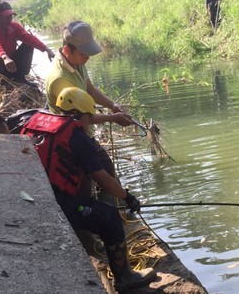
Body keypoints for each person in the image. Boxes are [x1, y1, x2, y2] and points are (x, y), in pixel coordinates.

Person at [20, 87, 156, 292]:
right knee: (110, 218)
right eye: (89, 117)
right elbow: (104, 180)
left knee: (91, 207)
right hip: (55, 205)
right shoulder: (77, 138)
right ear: (78, 114)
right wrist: (128, 198)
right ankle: (124, 278)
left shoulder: (43, 123)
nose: (89, 122)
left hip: (31, 196)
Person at [45, 20, 132, 128]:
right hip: (70, 137)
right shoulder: (60, 79)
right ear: (67, 50)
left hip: (83, 132)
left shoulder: (76, 61)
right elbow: (82, 118)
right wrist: (113, 118)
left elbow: (90, 89)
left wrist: (112, 105)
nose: (88, 57)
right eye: (83, 53)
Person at [0, 1, 55, 86]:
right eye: (7, 17)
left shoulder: (14, 26)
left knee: (28, 44)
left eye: (11, 16)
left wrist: (47, 49)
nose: (10, 19)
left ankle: (20, 77)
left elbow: (28, 37)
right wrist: (5, 58)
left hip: (10, 64)